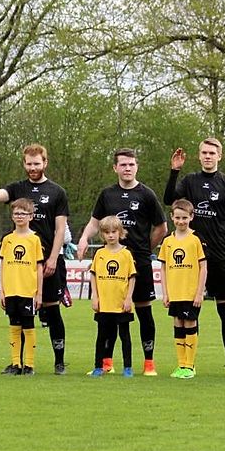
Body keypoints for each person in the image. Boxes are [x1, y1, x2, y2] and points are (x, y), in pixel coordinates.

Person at [0, 144, 70, 375]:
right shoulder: (18, 188)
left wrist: (52, 258)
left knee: (51, 310)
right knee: (19, 315)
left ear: (45, 163)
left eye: (37, 163)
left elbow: (60, 229)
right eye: (29, 164)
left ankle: (59, 362)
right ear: (24, 164)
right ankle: (17, 363)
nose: (33, 168)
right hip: (21, 265)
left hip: (48, 260)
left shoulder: (57, 192)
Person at [77, 148, 167, 376]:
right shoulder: (107, 194)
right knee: (109, 315)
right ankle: (106, 363)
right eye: (123, 165)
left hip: (139, 262)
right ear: (115, 168)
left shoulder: (147, 194)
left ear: (137, 167)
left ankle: (149, 363)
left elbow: (161, 228)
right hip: (111, 265)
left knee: (144, 312)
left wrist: (145, 250)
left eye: (131, 164)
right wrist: (84, 238)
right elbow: (95, 223)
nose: (128, 168)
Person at [164, 138, 225, 377]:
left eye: (212, 153)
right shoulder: (189, 181)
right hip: (191, 259)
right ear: (199, 156)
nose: (208, 156)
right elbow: (169, 200)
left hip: (218, 258)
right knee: (190, 312)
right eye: (204, 152)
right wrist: (174, 171)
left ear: (219, 156)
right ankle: (188, 364)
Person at [158, 199, 207, 379]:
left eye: (184, 218)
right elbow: (163, 268)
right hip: (174, 293)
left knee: (189, 324)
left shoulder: (196, 239)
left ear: (191, 217)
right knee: (178, 324)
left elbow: (203, 267)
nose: (181, 221)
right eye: (177, 217)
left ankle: (189, 365)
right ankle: (181, 364)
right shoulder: (167, 241)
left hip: (190, 292)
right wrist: (165, 293)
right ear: (172, 217)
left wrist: (199, 293)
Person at [0, 198, 44, 375]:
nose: (19, 216)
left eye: (23, 213)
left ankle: (29, 365)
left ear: (31, 216)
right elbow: (2, 265)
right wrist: (2, 291)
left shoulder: (35, 239)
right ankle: (16, 364)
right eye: (16, 213)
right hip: (11, 290)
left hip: (28, 291)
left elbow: (39, 268)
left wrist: (39, 293)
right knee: (14, 326)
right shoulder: (7, 239)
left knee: (29, 326)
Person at [87, 216, 137, 377]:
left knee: (125, 336)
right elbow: (93, 275)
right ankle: (98, 366)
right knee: (102, 336)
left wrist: (128, 298)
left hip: (121, 303)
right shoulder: (99, 253)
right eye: (107, 232)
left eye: (114, 232)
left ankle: (127, 367)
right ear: (102, 234)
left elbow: (132, 277)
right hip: (104, 303)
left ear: (120, 232)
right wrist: (95, 297)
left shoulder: (126, 254)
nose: (110, 235)